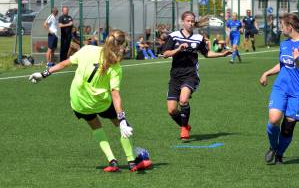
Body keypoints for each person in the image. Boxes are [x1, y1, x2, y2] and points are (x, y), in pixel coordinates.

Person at [28, 29, 152, 172]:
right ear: (120, 46)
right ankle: (132, 161)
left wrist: (44, 74)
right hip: (101, 103)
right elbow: (115, 95)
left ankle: (112, 162)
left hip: (79, 101)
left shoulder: (87, 50)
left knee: (96, 127)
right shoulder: (115, 66)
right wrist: (122, 119)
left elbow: (64, 63)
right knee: (122, 127)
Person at [162, 11, 232, 140]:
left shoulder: (198, 38)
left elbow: (207, 53)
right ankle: (186, 125)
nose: (190, 23)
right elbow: (165, 53)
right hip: (175, 76)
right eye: (188, 21)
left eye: (192, 21)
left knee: (183, 100)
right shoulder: (174, 36)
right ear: (182, 21)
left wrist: (222, 54)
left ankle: (184, 130)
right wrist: (178, 49)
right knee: (172, 110)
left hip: (191, 75)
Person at [259, 13, 299, 164]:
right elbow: (282, 64)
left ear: (290, 27)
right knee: (274, 119)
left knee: (288, 128)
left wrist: (297, 60)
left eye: (282, 26)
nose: (281, 28)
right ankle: (273, 146)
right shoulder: (284, 44)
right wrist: (267, 73)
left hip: (298, 92)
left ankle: (279, 155)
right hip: (280, 87)